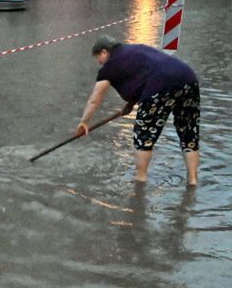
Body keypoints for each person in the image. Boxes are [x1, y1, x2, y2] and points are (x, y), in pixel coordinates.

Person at [77, 36, 200, 185]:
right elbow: (145, 73)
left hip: (160, 87)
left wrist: (84, 122)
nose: (99, 63)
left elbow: (95, 100)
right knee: (188, 132)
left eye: (98, 58)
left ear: (104, 52)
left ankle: (140, 179)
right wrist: (130, 105)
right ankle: (192, 180)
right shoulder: (136, 49)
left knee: (144, 134)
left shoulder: (110, 66)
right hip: (188, 78)